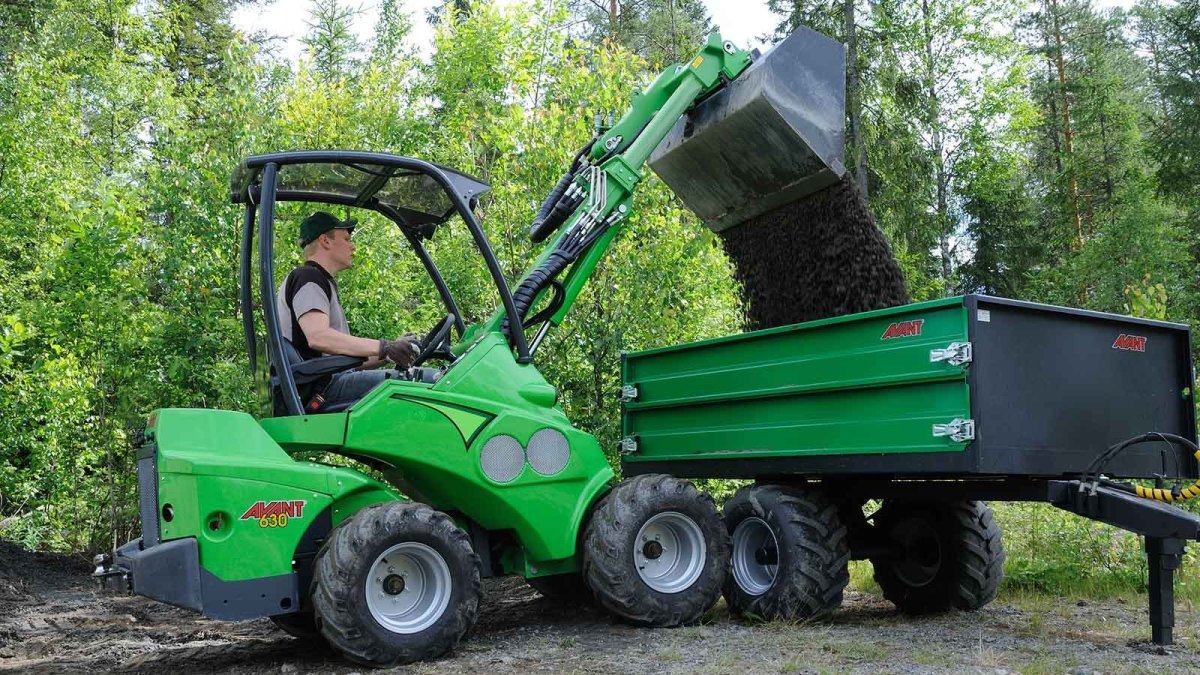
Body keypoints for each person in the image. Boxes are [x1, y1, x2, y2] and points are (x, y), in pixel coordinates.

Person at [277, 211, 420, 411]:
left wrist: (392, 351)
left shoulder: (320, 281)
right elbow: (318, 337)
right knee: (426, 383)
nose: (353, 246)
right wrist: (384, 347)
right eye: (346, 239)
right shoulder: (308, 278)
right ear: (325, 240)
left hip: (327, 383)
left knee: (419, 380)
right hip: (322, 390)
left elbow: (345, 360)